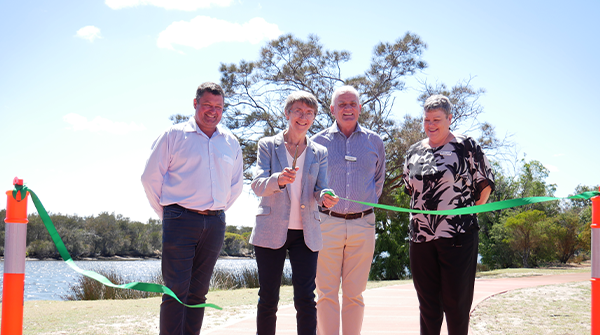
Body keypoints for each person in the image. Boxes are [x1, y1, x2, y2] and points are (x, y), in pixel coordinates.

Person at [141, 82, 243, 335]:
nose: (213, 111)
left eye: (218, 106)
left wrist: (214, 209)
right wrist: (169, 214)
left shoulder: (230, 141)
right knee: (176, 290)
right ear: (195, 103)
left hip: (215, 223)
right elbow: (150, 178)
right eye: (207, 104)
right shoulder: (174, 136)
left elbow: (236, 185)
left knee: (199, 291)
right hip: (179, 219)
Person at [401, 94, 494, 335]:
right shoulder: (413, 152)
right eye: (426, 120)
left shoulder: (466, 146)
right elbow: (410, 190)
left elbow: (485, 185)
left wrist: (468, 212)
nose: (431, 125)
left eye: (437, 119)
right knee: (428, 305)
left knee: (456, 304)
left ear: (449, 118)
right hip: (420, 237)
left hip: (458, 236)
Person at [249, 90, 339, 335]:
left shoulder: (320, 152)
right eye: (298, 111)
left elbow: (321, 189)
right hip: (270, 230)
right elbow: (257, 185)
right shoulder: (268, 145)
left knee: (306, 299)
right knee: (268, 297)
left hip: (306, 233)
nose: (303, 116)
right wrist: (278, 180)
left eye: (309, 113)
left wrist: (326, 198)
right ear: (287, 113)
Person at [311, 85, 386, 335]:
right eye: (341, 104)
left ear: (360, 108)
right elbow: (310, 185)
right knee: (326, 293)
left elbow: (378, 181)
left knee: (355, 294)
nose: (347, 108)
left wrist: (360, 206)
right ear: (332, 109)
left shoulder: (375, 141)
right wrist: (322, 199)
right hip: (326, 224)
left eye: (352, 104)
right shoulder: (317, 142)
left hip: (363, 225)